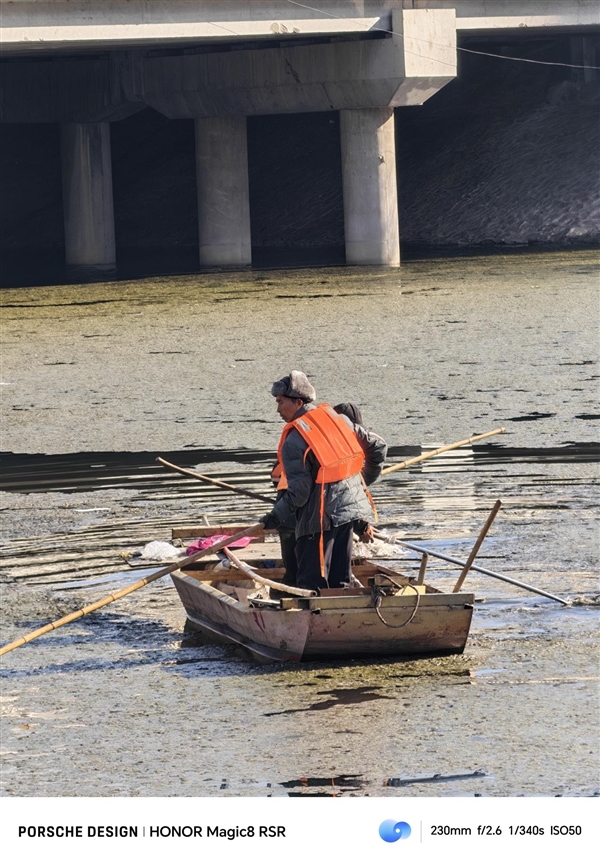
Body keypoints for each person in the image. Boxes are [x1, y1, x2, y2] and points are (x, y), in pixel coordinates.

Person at [260, 371, 387, 592]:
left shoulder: (294, 441)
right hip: (346, 515)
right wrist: (360, 483)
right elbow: (379, 447)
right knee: (340, 580)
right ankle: (343, 622)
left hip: (317, 520)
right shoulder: (341, 421)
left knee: (312, 584)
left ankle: (314, 624)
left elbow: (299, 492)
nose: (277, 409)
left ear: (298, 402)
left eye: (280, 402)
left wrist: (275, 517)